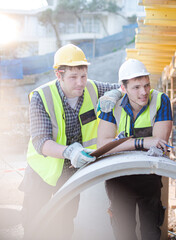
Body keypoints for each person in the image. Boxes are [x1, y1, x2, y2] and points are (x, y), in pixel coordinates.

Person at [19, 44, 122, 239]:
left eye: (83, 76)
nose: (80, 83)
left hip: (71, 173)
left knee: (65, 224)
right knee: (34, 223)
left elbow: (124, 87)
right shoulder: (41, 97)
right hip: (43, 172)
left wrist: (115, 93)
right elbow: (41, 142)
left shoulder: (92, 88)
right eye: (73, 77)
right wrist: (69, 152)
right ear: (59, 75)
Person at [97, 59, 173, 240]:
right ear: (123, 89)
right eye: (136, 87)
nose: (144, 92)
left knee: (151, 233)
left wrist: (121, 143)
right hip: (119, 180)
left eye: (146, 85)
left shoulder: (160, 101)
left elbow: (159, 142)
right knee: (124, 234)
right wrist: (142, 143)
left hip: (149, 178)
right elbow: (103, 146)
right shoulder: (111, 104)